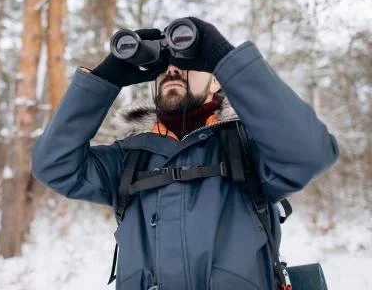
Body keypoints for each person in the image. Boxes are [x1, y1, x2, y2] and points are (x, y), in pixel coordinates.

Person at [31, 17, 339, 290]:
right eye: (163, 67)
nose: (173, 70)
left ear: (216, 79)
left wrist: (225, 57)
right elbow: (53, 165)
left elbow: (309, 153)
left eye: (188, 63)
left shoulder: (249, 148)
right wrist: (106, 78)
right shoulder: (128, 159)